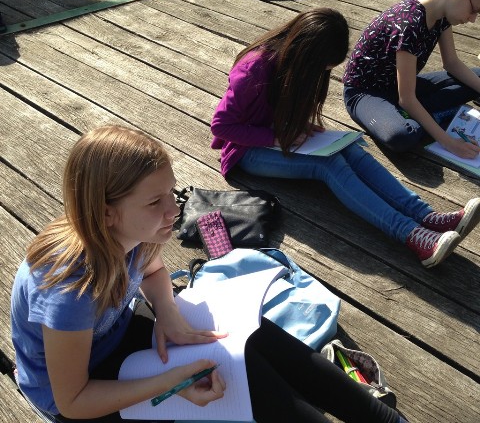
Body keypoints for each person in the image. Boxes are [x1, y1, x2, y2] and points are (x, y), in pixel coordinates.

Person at [10, 125, 409, 423]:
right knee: (236, 381)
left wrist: (167, 312)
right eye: (155, 201)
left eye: (171, 193)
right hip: (79, 393)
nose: (174, 210)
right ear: (107, 213)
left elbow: (152, 269)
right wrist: (172, 383)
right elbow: (73, 401)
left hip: (115, 339)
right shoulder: (70, 290)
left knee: (249, 339)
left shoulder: (132, 233)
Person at [210, 8, 480, 268]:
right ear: (307, 55)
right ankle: (412, 234)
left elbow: (273, 107)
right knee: (328, 164)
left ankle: (426, 215)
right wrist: (276, 137)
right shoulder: (252, 70)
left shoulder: (290, 60)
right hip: (247, 152)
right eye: (321, 69)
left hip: (280, 134)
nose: (321, 76)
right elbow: (221, 126)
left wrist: (298, 125)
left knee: (350, 149)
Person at [343, 0, 480, 158]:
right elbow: (406, 99)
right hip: (366, 93)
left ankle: (421, 115)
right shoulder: (409, 25)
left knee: (477, 77)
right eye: (474, 10)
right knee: (403, 135)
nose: (472, 19)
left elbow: (452, 63)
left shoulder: (442, 15)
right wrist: (449, 142)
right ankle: (425, 116)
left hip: (402, 87)